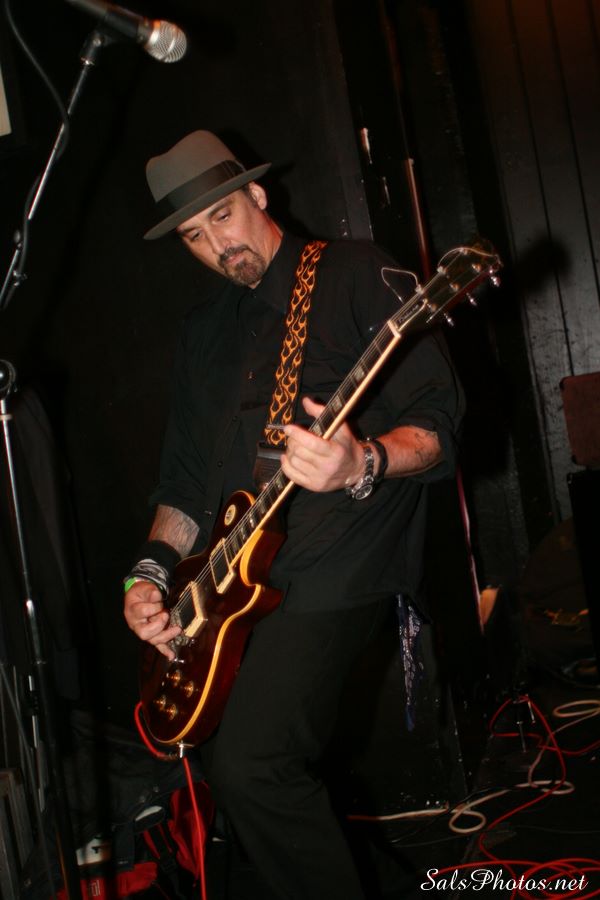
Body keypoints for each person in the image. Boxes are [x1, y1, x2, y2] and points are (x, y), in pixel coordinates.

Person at [123, 130, 464, 900]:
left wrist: (360, 461)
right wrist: (147, 576)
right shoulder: (204, 333)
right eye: (193, 235)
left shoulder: (352, 274)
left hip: (342, 562)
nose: (217, 244)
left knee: (254, 765)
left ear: (257, 194)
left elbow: (438, 428)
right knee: (238, 776)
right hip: (237, 585)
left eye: (222, 216)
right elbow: (182, 485)